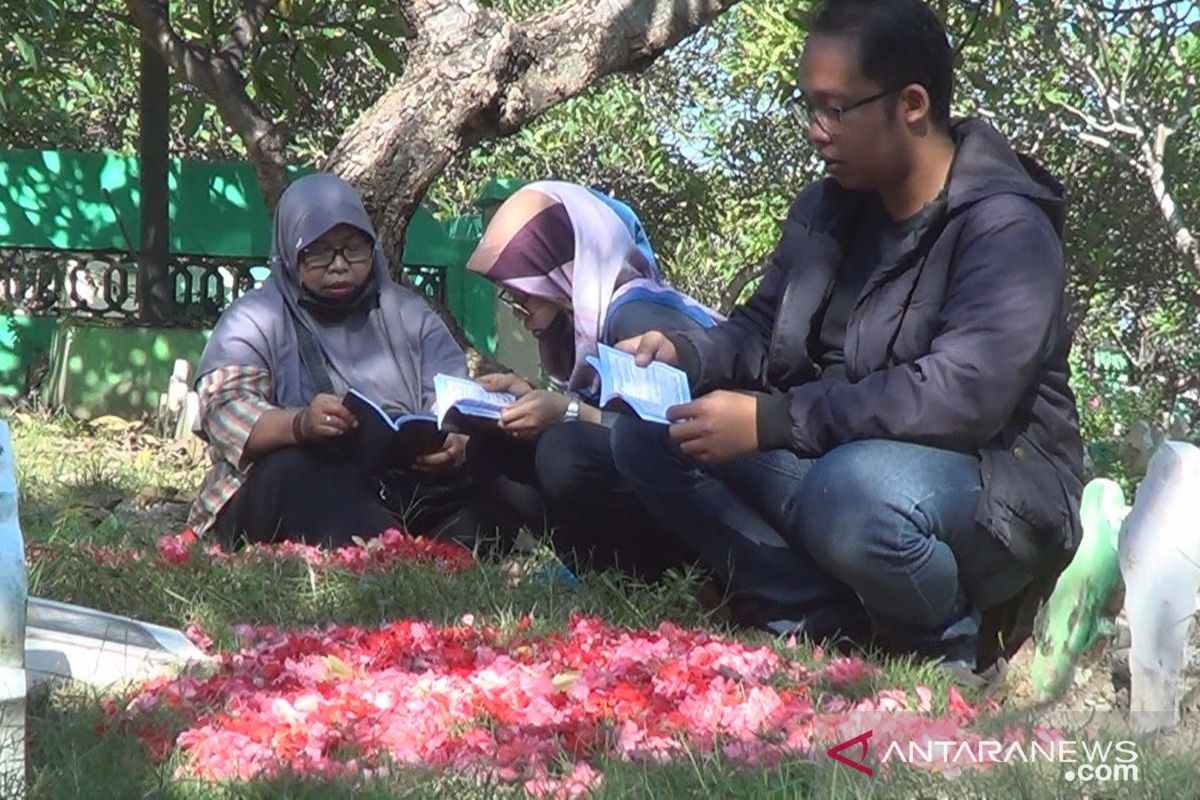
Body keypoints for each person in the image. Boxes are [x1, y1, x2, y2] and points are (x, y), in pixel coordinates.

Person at [610, 0, 1085, 671]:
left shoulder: (1005, 227)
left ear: (912, 104)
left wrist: (773, 421)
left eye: (835, 109)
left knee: (855, 493)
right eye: (808, 107)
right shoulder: (827, 210)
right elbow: (759, 329)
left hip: (992, 490)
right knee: (651, 426)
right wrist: (687, 354)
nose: (816, 131)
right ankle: (814, 616)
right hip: (831, 454)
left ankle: (946, 644)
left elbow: (959, 397)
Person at [187, 173, 488, 549]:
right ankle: (390, 547)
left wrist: (454, 441)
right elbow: (227, 412)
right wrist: (300, 425)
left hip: (398, 481)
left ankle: (409, 543)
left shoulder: (410, 315)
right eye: (318, 252)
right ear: (289, 254)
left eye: (353, 249)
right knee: (293, 471)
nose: (339, 265)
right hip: (294, 482)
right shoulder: (254, 319)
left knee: (491, 475)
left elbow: (454, 395)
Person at [464, 181, 720, 579]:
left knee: (565, 451)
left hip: (699, 508)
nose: (518, 311)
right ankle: (593, 571)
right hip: (645, 488)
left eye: (524, 294)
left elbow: (672, 437)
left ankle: (650, 579)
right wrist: (529, 399)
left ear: (562, 265)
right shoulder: (579, 325)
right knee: (493, 446)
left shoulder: (635, 316)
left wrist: (566, 412)